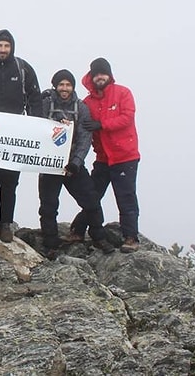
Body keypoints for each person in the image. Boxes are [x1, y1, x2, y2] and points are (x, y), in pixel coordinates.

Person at [0, 29, 43, 243]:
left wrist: (35, 126)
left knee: (10, 183)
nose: (3, 50)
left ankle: (6, 225)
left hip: (15, 137)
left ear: (12, 48)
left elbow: (35, 98)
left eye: (7, 46)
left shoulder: (23, 69)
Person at [38, 70, 114, 256]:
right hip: (49, 164)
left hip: (73, 164)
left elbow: (85, 138)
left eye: (68, 85)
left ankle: (99, 237)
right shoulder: (45, 104)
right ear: (55, 86)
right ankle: (50, 243)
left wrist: (76, 162)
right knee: (48, 206)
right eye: (61, 85)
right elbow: (35, 126)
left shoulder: (81, 108)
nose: (64, 88)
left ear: (73, 87)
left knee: (91, 200)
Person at [73, 58, 141, 253]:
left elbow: (127, 117)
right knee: (91, 196)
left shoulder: (123, 93)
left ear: (109, 76)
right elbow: (80, 126)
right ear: (91, 77)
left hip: (125, 157)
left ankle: (130, 237)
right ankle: (78, 229)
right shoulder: (87, 102)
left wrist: (101, 124)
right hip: (103, 159)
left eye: (103, 73)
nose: (99, 77)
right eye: (96, 74)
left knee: (125, 197)